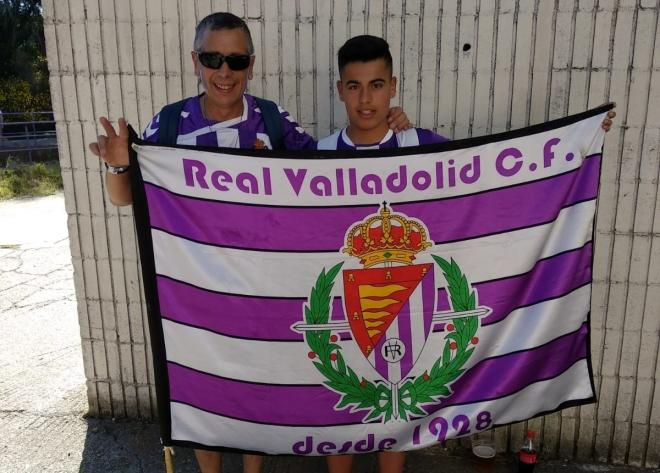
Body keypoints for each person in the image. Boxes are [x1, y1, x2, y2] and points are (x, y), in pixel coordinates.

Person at [88, 12, 412, 473]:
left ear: (251, 65)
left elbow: (334, 182)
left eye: (236, 60)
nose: (224, 71)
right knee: (207, 388)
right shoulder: (170, 124)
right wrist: (120, 165)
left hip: (262, 286)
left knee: (254, 384)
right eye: (213, 58)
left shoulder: (273, 120)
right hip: (195, 287)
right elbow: (126, 200)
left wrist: (397, 138)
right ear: (195, 60)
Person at [318, 34, 617, 473]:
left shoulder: (420, 146)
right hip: (349, 305)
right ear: (340, 88)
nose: (366, 99)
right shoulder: (316, 156)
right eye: (355, 85)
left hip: (410, 301)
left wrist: (577, 143)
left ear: (394, 85)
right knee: (339, 413)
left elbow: (487, 183)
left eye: (377, 84)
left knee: (397, 411)